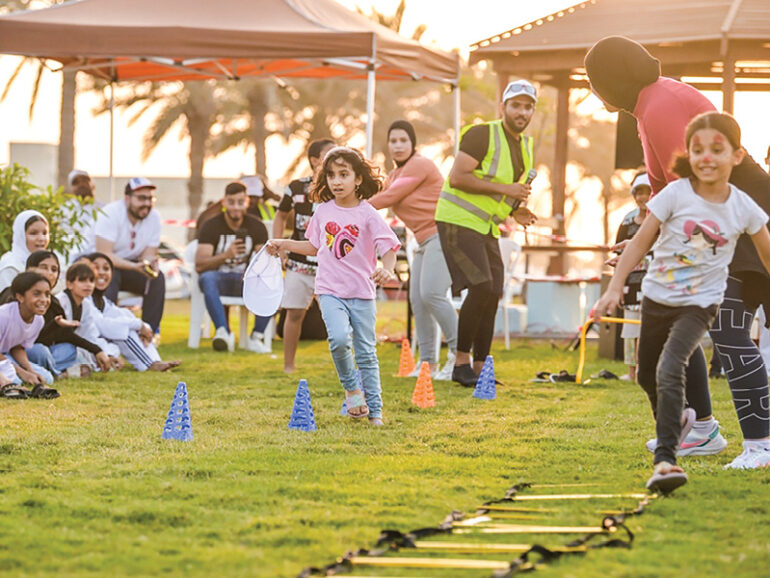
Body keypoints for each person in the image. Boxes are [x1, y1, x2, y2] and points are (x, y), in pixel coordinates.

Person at [586, 36, 770, 467]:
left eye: (595, 82)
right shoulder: (647, 108)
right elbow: (666, 192)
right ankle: (703, 428)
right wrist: (640, 242)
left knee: (729, 331)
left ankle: (762, 444)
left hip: (740, 214)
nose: (594, 91)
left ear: (613, 79)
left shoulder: (660, 104)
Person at [267, 146, 401, 426]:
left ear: (358, 179)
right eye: (331, 175)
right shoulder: (323, 211)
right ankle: (353, 391)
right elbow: (314, 245)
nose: (336, 181)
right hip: (329, 290)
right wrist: (284, 244)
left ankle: (375, 411)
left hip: (362, 293)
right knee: (339, 340)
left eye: (343, 174)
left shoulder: (368, 213)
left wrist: (387, 269)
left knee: (365, 351)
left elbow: (389, 246)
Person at [434, 80, 539, 387]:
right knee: (481, 286)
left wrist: (515, 210)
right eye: (516, 105)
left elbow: (503, 195)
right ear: (502, 106)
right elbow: (457, 178)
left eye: (528, 106)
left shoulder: (526, 147)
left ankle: (481, 370)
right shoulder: (481, 134)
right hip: (456, 220)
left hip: (485, 226)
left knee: (493, 291)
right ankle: (460, 363)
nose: (522, 111)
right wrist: (505, 189)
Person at [370, 120, 458, 380]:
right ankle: (427, 363)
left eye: (403, 140)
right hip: (421, 241)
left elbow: (389, 197)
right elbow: (380, 196)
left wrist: (350, 209)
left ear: (413, 143)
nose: (397, 145)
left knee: (432, 294)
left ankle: (460, 356)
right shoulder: (393, 175)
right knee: (418, 302)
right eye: (393, 141)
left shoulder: (419, 164)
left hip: (442, 235)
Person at [272, 138, 335, 373]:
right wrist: (279, 247)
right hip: (299, 264)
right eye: (330, 153)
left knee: (336, 317)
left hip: (329, 266)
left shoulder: (338, 189)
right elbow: (280, 215)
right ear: (315, 160)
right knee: (295, 313)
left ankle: (345, 368)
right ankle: (289, 365)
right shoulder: (296, 188)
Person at [195, 181, 270, 352]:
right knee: (207, 278)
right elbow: (200, 265)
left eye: (240, 202)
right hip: (219, 280)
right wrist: (226, 255)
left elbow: (264, 264)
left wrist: (257, 265)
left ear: (247, 202)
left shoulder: (257, 226)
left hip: (246, 280)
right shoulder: (211, 226)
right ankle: (223, 332)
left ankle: (256, 336)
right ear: (224, 203)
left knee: (272, 282)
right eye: (231, 202)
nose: (236, 207)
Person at [85, 253, 180, 372]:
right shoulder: (85, 300)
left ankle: (156, 361)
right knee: (121, 331)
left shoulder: (102, 301)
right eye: (96, 268)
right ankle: (149, 364)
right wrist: (138, 325)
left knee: (129, 324)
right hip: (83, 348)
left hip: (99, 346)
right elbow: (104, 326)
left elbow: (123, 314)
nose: (102, 272)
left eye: (106, 268)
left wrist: (143, 326)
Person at [94, 178, 165, 336]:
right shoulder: (111, 212)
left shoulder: (154, 217)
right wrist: (134, 266)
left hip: (129, 266)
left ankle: (149, 333)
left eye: (150, 198)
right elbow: (103, 254)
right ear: (127, 199)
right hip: (98, 264)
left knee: (156, 278)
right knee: (110, 275)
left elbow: (149, 253)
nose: (146, 203)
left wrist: (148, 265)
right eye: (141, 198)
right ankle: (107, 331)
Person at [614, 172, 652, 382]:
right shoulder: (627, 221)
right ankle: (631, 372)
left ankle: (645, 371)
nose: (643, 197)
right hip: (631, 282)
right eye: (639, 193)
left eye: (647, 192)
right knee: (630, 330)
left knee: (648, 329)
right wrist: (616, 285)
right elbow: (617, 254)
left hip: (653, 282)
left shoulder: (658, 220)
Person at [0, 271, 58, 398]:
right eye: (36, 294)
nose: (44, 300)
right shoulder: (3, 316)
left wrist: (31, 372)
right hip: (2, 358)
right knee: (15, 381)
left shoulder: (38, 320)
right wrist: (21, 372)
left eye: (47, 294)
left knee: (46, 378)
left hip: (5, 356)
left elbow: (18, 347)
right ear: (20, 297)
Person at [57, 262, 122, 374]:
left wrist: (106, 354)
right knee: (73, 350)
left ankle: (72, 370)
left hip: (74, 347)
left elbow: (90, 335)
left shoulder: (86, 305)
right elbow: (65, 335)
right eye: (82, 280)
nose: (88, 285)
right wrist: (97, 351)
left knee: (111, 349)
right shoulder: (61, 301)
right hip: (57, 348)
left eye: (91, 281)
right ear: (69, 284)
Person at [0, 210, 49, 292]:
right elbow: (7, 301)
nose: (41, 238)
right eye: (33, 233)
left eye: (44, 233)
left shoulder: (47, 264)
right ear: (21, 236)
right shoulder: (10, 267)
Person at [63, 169, 99, 261]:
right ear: (71, 188)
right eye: (76, 183)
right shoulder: (64, 209)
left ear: (92, 185)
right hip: (72, 258)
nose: (81, 185)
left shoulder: (103, 209)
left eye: (84, 181)